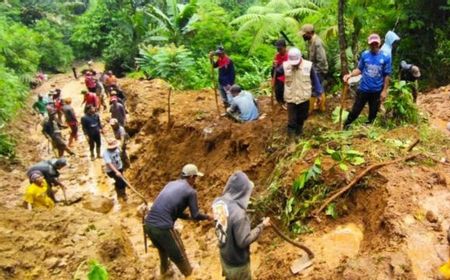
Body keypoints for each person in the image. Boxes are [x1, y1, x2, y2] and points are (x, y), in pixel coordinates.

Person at [144, 164, 212, 277]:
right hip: (163, 228)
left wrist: (188, 217)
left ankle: (164, 273)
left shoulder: (171, 184)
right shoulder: (191, 192)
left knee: (163, 251)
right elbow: (196, 215)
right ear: (190, 177)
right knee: (179, 255)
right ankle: (190, 275)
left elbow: (173, 209)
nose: (195, 180)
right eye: (195, 177)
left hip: (148, 225)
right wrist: (208, 217)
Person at [212, 171, 270, 280]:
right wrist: (261, 226)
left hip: (225, 257)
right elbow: (243, 241)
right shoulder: (239, 215)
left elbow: (223, 222)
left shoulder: (217, 202)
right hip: (238, 264)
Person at [343, 33, 391, 129]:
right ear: (369, 44)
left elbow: (387, 75)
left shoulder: (386, 57)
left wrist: (384, 91)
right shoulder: (365, 55)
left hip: (376, 91)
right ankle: (346, 126)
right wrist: (350, 75)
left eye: (375, 44)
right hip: (363, 89)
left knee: (373, 113)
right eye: (372, 44)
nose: (374, 46)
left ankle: (368, 130)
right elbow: (360, 69)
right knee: (355, 110)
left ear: (379, 43)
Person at [277, 47, 323, 138]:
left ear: (300, 58)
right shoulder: (285, 66)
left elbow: (315, 80)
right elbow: (276, 74)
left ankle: (299, 134)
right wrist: (274, 68)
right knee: (292, 120)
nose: (294, 65)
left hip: (304, 97)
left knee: (302, 117)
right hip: (291, 98)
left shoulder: (308, 66)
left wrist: (319, 93)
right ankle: (291, 140)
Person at [300, 24, 328, 112]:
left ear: (309, 33)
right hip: (315, 69)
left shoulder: (317, 43)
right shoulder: (311, 42)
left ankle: (312, 109)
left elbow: (322, 59)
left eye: (304, 34)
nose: (303, 36)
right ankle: (320, 107)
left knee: (315, 88)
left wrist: (315, 72)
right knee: (318, 87)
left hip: (319, 70)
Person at [272, 39, 289, 107]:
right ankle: (280, 101)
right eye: (277, 49)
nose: (279, 51)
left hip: (286, 75)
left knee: (280, 86)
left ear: (285, 47)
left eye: (280, 49)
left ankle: (284, 101)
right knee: (277, 88)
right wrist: (274, 65)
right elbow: (275, 68)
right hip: (278, 75)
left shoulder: (288, 55)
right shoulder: (277, 56)